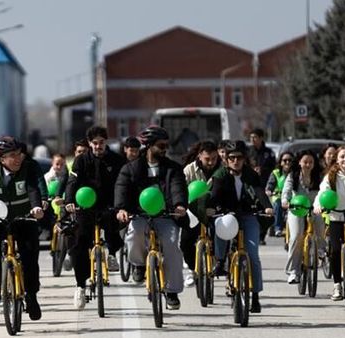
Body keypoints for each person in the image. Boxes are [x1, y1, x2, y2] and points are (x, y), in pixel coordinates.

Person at [115, 125, 188, 310]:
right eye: (161, 145)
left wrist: (179, 205)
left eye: (166, 145)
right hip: (140, 215)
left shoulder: (173, 168)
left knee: (172, 245)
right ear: (148, 146)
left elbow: (177, 188)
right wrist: (122, 209)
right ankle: (138, 264)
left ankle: (171, 291)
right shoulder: (130, 169)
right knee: (134, 233)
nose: (165, 149)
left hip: (166, 215)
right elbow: (122, 189)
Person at [0, 136, 45, 320]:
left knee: (30, 256)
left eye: (19, 154)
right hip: (0, 221)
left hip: (24, 219)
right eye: (12, 155)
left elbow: (32, 190)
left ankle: (31, 295)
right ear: (1, 159)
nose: (18, 158)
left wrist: (36, 207)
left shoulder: (26, 169)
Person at [206, 140, 272, 313]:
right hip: (227, 213)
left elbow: (259, 191)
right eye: (232, 158)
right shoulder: (220, 174)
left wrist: (267, 207)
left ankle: (255, 296)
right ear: (226, 160)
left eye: (240, 158)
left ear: (244, 159)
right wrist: (211, 207)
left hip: (248, 214)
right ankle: (220, 261)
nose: (236, 161)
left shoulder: (251, 174)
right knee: (221, 226)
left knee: (252, 254)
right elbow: (215, 193)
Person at [64, 125, 126, 309]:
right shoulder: (81, 161)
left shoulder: (116, 160)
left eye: (101, 143)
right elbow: (72, 182)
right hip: (86, 206)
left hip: (109, 205)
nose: (98, 146)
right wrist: (69, 202)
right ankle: (80, 287)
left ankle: (112, 253)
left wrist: (121, 206)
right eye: (95, 143)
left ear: (106, 142)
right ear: (90, 143)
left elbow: (122, 184)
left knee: (114, 226)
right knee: (80, 243)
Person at [312, 145, 345, 300]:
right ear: (336, 159)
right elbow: (323, 192)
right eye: (342, 157)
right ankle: (337, 285)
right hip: (336, 215)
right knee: (335, 251)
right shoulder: (331, 176)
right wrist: (318, 206)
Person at [281, 149, 325, 285]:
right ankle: (293, 271)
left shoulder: (319, 176)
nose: (308, 164)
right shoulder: (292, 176)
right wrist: (285, 201)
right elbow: (286, 191)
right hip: (296, 209)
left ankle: (321, 251)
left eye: (311, 162)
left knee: (320, 224)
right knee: (296, 236)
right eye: (305, 162)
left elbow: (325, 191)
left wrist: (323, 205)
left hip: (314, 208)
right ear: (299, 163)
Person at [179, 140, 220, 284]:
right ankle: (192, 269)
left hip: (215, 210)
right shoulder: (189, 170)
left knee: (220, 236)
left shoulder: (222, 169)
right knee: (185, 242)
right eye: (207, 159)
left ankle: (220, 263)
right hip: (193, 210)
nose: (211, 162)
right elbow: (182, 191)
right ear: (200, 156)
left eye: (214, 158)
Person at [265, 152, 293, 238]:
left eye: (289, 160)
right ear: (281, 162)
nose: (287, 162)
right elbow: (270, 185)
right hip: (278, 197)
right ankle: (278, 228)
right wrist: (269, 191)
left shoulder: (295, 173)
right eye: (285, 160)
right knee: (278, 204)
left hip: (292, 197)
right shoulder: (276, 173)